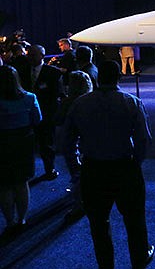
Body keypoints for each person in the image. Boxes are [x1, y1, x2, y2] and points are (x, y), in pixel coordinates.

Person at [62, 61, 154, 268]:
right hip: (124, 167)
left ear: (97, 77)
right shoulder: (131, 102)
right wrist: (135, 162)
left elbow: (66, 140)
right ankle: (139, 257)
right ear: (119, 77)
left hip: (93, 169)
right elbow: (144, 139)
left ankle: (106, 263)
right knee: (134, 219)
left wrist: (76, 166)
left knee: (98, 222)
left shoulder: (80, 103)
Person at [0, 65, 41, 238]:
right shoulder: (30, 98)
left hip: (2, 142)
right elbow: (37, 119)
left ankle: (9, 221)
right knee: (21, 182)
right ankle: (22, 219)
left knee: (5, 184)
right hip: (23, 142)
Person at [55, 71, 93, 223]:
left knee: (77, 174)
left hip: (72, 143)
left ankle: (80, 204)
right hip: (87, 142)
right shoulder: (91, 100)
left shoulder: (69, 102)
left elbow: (58, 120)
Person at [23, 44, 63, 180]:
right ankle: (29, 171)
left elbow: (57, 95)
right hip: (27, 115)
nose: (30, 57)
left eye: (33, 55)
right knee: (29, 144)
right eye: (29, 55)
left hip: (46, 114)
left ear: (42, 55)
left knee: (47, 144)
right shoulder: (23, 71)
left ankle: (49, 169)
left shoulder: (53, 72)